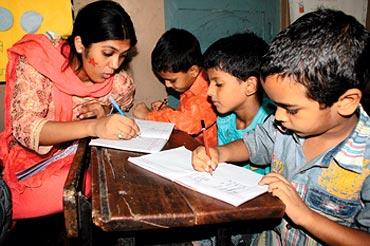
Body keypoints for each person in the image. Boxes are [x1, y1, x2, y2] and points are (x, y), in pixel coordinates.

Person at [192, 9, 370, 245]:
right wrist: (218, 153)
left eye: (291, 109)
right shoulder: (285, 128)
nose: (277, 116)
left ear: (346, 102)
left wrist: (306, 216)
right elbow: (253, 144)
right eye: (275, 105)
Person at [0, 0, 140, 220]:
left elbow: (119, 110)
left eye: (122, 55)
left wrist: (106, 111)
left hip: (79, 161)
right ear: (80, 44)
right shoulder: (39, 62)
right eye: (108, 53)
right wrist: (93, 126)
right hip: (32, 163)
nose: (115, 64)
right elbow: (27, 130)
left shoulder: (119, 84)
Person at [133, 28, 217, 147]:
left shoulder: (208, 92)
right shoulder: (190, 84)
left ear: (193, 71)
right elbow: (191, 113)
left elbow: (190, 123)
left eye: (172, 80)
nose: (167, 85)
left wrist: (149, 115)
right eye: (164, 79)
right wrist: (168, 110)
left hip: (208, 154)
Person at [204, 32, 274, 175]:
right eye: (209, 83)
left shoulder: (273, 121)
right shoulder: (225, 119)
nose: (209, 92)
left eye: (218, 84)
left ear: (249, 86)